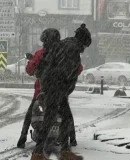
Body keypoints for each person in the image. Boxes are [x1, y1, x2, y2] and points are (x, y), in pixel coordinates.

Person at [31, 24, 91, 160]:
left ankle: (63, 151)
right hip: (55, 87)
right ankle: (38, 153)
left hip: (54, 86)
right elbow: (68, 72)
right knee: (51, 119)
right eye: (86, 46)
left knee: (64, 118)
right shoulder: (73, 48)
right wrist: (63, 89)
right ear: (84, 41)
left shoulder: (66, 44)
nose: (85, 49)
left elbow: (53, 64)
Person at [17, 28, 81, 149]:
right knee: (66, 114)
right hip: (61, 90)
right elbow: (78, 68)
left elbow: (30, 69)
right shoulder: (65, 52)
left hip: (42, 91)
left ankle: (22, 138)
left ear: (44, 39)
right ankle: (71, 139)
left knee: (30, 112)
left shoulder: (41, 53)